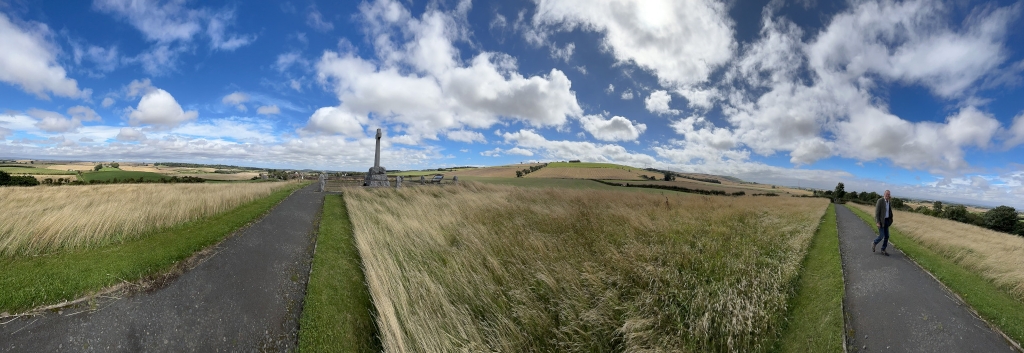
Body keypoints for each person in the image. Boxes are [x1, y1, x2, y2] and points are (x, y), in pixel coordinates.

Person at [872, 190, 894, 256]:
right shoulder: (880, 201)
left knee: (887, 236)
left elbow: (889, 211)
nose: (888, 195)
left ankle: (883, 249)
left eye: (889, 194)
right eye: (887, 194)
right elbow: (877, 213)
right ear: (884, 194)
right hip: (881, 221)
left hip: (887, 221)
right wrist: (878, 222)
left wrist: (890, 219)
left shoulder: (888, 202)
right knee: (881, 236)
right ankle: (874, 243)